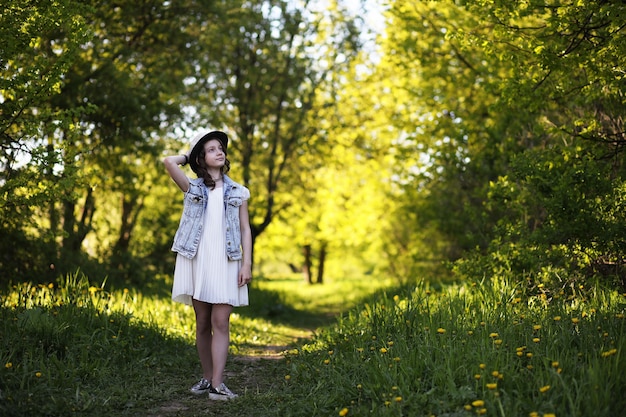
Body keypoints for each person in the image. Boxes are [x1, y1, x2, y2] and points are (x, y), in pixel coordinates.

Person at [163, 130, 252, 401]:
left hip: (226, 260)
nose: (219, 152)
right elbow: (168, 161)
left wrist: (246, 263)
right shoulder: (193, 187)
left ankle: (217, 384)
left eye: (221, 148)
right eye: (211, 149)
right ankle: (206, 376)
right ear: (201, 157)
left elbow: (245, 229)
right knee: (202, 322)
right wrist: (190, 155)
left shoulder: (238, 191)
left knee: (220, 321)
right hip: (197, 259)